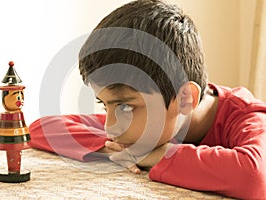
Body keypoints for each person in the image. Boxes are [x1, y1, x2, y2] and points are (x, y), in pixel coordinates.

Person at [29, 0, 266, 199]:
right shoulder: (156, 117)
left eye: (124, 106)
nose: (109, 126)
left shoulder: (248, 116)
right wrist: (112, 149)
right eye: (104, 103)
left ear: (185, 99)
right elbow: (42, 128)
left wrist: (159, 155)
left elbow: (255, 177)